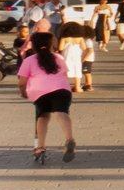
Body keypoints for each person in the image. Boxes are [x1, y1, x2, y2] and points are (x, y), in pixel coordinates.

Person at [19, 32, 76, 164]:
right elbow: (65, 75)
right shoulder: (58, 58)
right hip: (62, 90)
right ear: (52, 44)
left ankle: (41, 147)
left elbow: (22, 82)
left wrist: (24, 93)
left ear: (34, 45)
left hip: (40, 92)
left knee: (43, 116)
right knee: (61, 113)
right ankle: (69, 139)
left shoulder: (29, 60)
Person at [59, 23, 93, 93]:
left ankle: (65, 86)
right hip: (77, 56)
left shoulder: (64, 38)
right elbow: (83, 48)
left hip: (66, 56)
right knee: (77, 71)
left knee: (65, 71)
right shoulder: (80, 38)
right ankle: (77, 87)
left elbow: (60, 48)